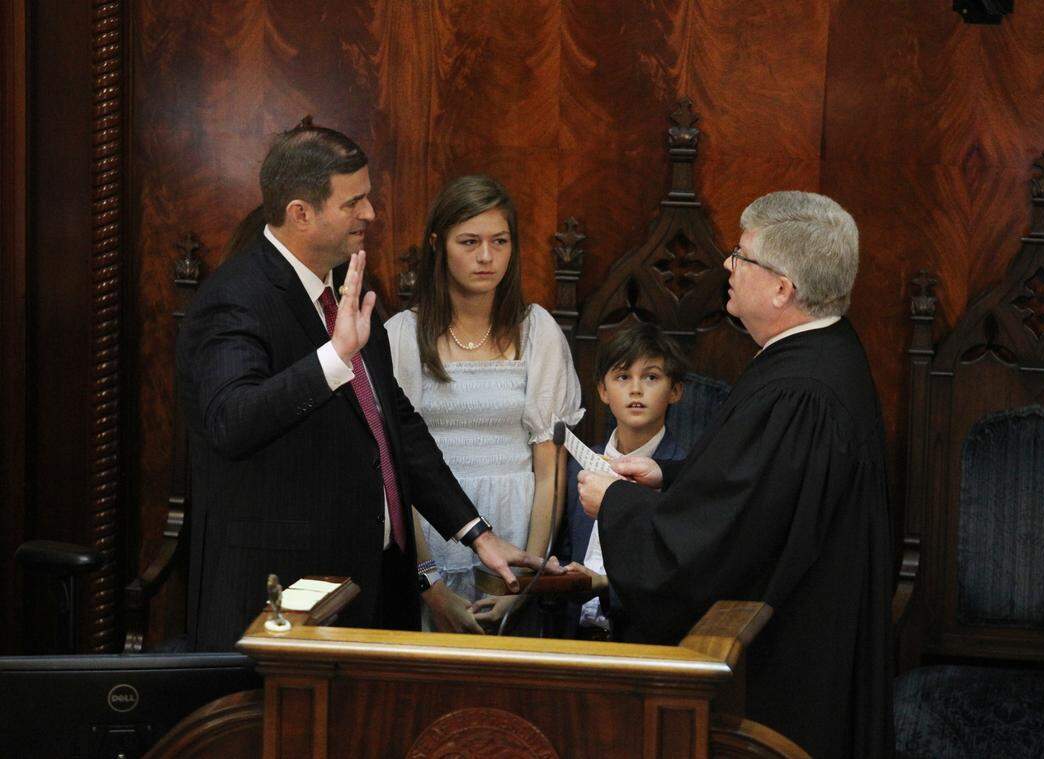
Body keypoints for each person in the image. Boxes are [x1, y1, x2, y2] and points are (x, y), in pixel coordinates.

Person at [177, 125, 550, 651]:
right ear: (302, 213)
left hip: (372, 587)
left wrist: (475, 533)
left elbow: (394, 427)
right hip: (281, 598)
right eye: (354, 202)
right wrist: (333, 359)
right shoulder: (236, 299)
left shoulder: (348, 286)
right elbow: (232, 421)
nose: (370, 214)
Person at [577, 191, 893, 758]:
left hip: (781, 666)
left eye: (741, 256)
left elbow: (723, 541)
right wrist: (666, 478)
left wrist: (617, 504)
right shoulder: (821, 355)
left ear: (781, 288)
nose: (727, 265)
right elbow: (759, 490)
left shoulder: (800, 389)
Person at [385, 175, 582, 633]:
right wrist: (428, 584)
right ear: (438, 244)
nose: (487, 257)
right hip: (429, 536)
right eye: (469, 242)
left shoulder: (538, 330)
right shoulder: (402, 335)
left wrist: (526, 582)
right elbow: (398, 468)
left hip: (515, 528)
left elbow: (550, 470)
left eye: (500, 241)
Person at [559, 322, 687, 639]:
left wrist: (606, 587)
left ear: (675, 391)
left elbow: (675, 577)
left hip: (642, 636)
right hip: (575, 633)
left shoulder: (685, 473)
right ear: (603, 391)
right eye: (622, 376)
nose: (636, 390)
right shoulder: (580, 466)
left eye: (651, 377)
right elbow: (566, 548)